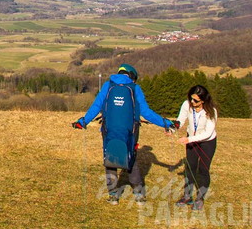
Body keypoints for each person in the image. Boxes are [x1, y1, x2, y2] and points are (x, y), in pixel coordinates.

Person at [72, 64, 176, 205]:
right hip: (130, 130)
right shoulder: (134, 88)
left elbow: (96, 106)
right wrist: (166, 123)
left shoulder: (108, 86)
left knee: (110, 158)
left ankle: (113, 195)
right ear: (132, 76)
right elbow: (146, 112)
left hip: (108, 129)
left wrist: (83, 121)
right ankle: (139, 194)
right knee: (131, 159)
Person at [174, 85, 218, 211]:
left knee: (203, 170)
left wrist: (188, 139)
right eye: (191, 99)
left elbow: (207, 133)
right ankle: (187, 196)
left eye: (196, 100)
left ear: (203, 100)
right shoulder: (186, 105)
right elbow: (180, 120)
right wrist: (173, 127)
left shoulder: (211, 111)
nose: (192, 102)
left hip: (206, 142)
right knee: (190, 167)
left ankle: (200, 199)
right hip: (191, 139)